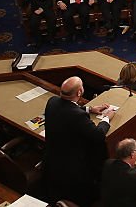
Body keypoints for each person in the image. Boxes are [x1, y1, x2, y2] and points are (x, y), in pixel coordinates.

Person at [44, 76, 116, 206]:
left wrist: (89, 109)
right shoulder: (77, 116)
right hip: (73, 169)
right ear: (79, 92)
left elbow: (65, 108)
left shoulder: (52, 101)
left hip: (51, 160)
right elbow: (98, 135)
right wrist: (106, 119)